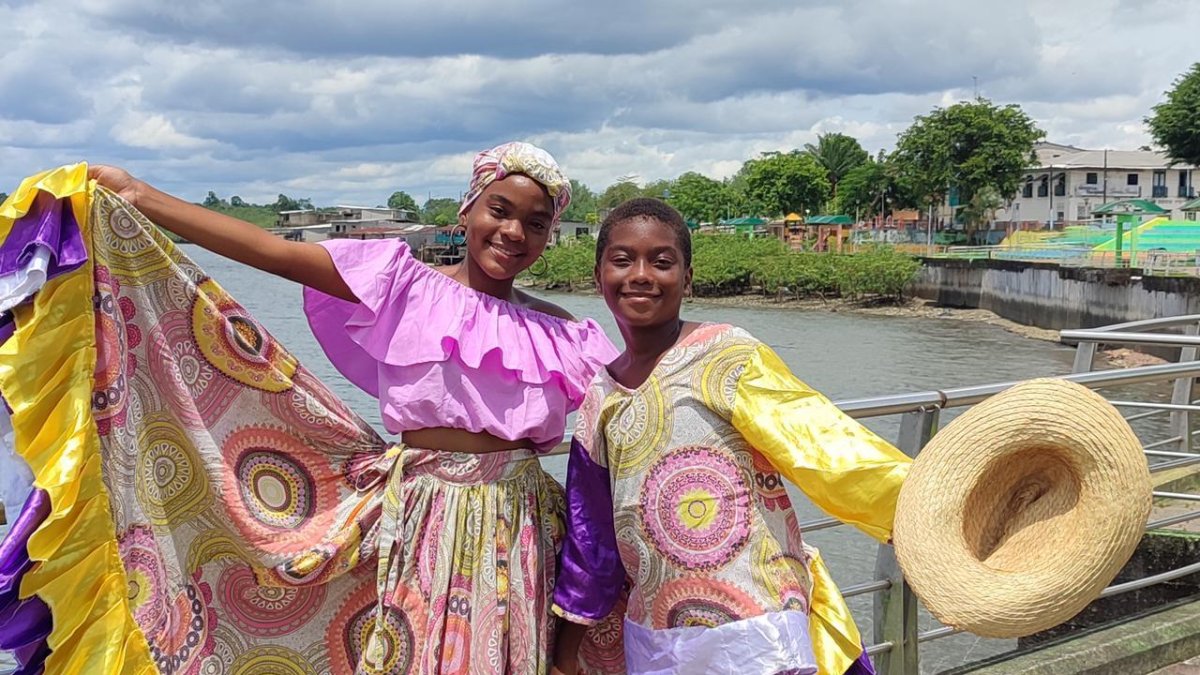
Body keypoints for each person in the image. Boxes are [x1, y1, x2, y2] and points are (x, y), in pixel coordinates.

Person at [0, 143, 618, 674]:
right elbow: (274, 253)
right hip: (421, 516)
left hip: (523, 529)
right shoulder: (404, 284)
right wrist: (142, 193)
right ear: (468, 209)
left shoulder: (563, 333)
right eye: (500, 211)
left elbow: (629, 421)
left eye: (535, 224)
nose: (513, 233)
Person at [550, 198, 912, 675]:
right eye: (622, 260)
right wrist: (564, 654)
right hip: (660, 634)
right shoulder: (600, 398)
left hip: (758, 623)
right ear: (598, 277)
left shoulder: (728, 356)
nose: (641, 274)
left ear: (688, 279)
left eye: (662, 262)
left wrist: (928, 504)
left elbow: (824, 447)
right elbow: (593, 537)